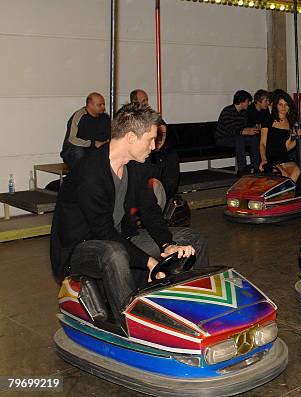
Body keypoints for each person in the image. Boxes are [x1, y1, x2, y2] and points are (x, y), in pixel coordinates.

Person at [50, 102, 208, 321]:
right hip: (80, 247)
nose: (154, 146)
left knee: (191, 238)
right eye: (150, 139)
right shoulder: (90, 174)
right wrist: (150, 262)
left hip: (120, 236)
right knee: (114, 253)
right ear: (131, 138)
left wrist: (166, 244)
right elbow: (103, 232)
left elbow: (150, 211)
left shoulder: (137, 165)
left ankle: (193, 310)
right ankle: (131, 323)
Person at [130, 89, 180, 203]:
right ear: (134, 102)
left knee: (171, 157)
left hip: (156, 150)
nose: (146, 103)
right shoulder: (130, 116)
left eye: (147, 100)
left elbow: (162, 128)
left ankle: (167, 196)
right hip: (138, 150)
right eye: (143, 101)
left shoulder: (151, 116)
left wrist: (160, 142)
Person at [259, 90, 301, 182]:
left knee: (297, 171)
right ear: (276, 106)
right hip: (270, 158)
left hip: (283, 157)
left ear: (289, 106)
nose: (283, 107)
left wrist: (298, 137)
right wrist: (264, 160)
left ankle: (289, 194)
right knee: (283, 175)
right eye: (280, 104)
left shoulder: (290, 122)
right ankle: (284, 193)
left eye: (286, 104)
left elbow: (287, 147)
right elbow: (262, 143)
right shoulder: (268, 120)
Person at [60, 92, 111, 167]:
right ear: (90, 105)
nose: (103, 107)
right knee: (78, 151)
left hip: (95, 151)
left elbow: (109, 136)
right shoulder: (79, 116)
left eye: (103, 104)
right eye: (99, 105)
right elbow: (71, 139)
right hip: (75, 151)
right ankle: (81, 175)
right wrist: (93, 143)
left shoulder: (105, 118)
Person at [215, 90, 260, 174]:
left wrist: (252, 129)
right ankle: (242, 169)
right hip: (223, 139)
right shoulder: (227, 111)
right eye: (247, 101)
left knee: (253, 138)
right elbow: (231, 130)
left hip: (236, 137)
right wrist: (245, 132)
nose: (249, 103)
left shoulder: (243, 112)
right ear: (241, 101)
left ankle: (255, 166)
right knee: (240, 138)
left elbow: (244, 127)